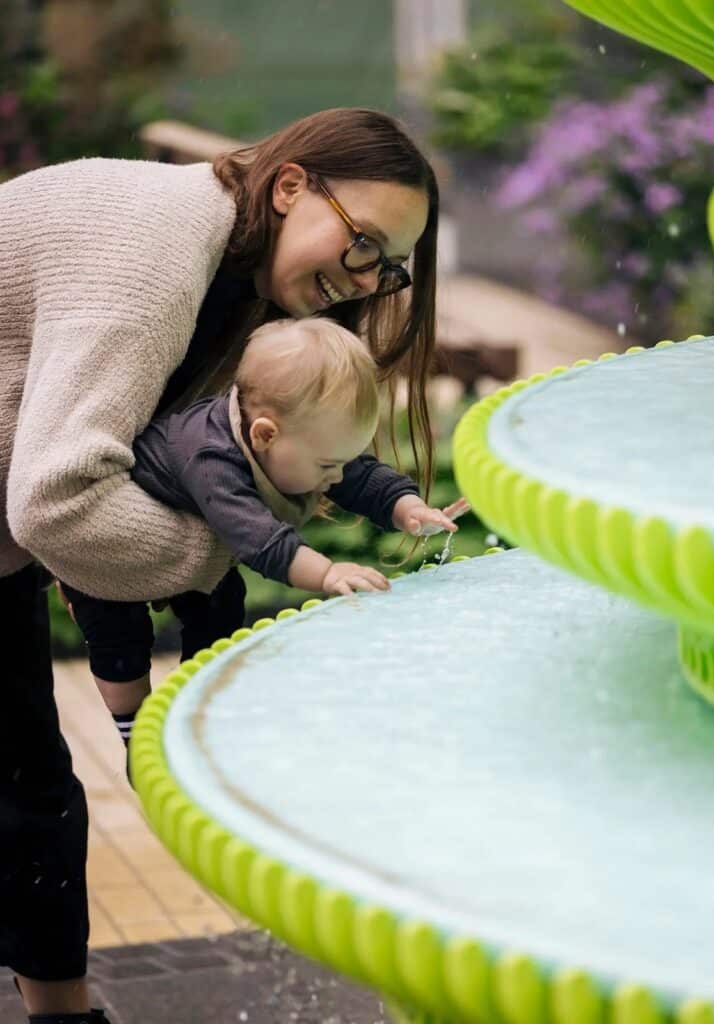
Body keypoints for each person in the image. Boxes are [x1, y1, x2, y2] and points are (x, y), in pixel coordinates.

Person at [1, 107, 444, 1022]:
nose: (366, 276)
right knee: (26, 796)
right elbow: (60, 498)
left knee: (28, 797)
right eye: (363, 243)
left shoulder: (237, 285)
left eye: (387, 264)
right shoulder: (153, 251)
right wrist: (246, 552)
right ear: (289, 188)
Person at [60, 317, 465, 758]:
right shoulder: (210, 456)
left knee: (221, 605)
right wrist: (327, 573)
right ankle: (134, 731)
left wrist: (407, 507)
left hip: (185, 539)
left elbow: (357, 474)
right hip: (109, 549)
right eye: (327, 464)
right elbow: (257, 538)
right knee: (118, 633)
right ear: (265, 434)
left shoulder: (296, 439)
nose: (335, 476)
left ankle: (202, 710)